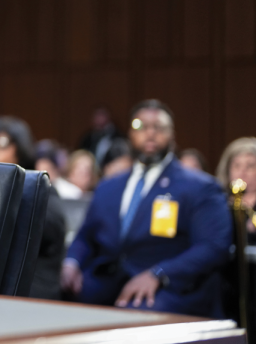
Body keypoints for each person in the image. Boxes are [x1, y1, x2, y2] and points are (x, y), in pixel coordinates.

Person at [61, 100, 232, 317]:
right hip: (108, 279)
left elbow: (213, 246)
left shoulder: (200, 187)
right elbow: (86, 235)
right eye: (141, 126)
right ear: (129, 135)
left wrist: (159, 273)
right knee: (53, 296)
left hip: (169, 286)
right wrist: (71, 263)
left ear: (172, 135)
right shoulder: (108, 186)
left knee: (134, 315)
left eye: (159, 127)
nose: (150, 133)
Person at [0, 116, 66, 300]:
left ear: (21, 149)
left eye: (1, 144)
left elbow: (48, 233)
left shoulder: (40, 188)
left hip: (29, 291)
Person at [214, 137, 256, 240]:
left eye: (250, 166)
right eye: (237, 166)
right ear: (227, 170)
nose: (242, 171)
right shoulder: (218, 201)